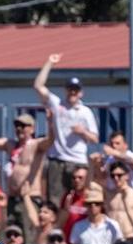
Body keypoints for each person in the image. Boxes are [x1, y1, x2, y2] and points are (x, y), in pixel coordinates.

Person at [34, 54, 99, 203]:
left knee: (80, 198)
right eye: (70, 89)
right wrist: (49, 62)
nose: (73, 93)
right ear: (66, 90)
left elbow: (95, 138)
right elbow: (38, 86)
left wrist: (83, 132)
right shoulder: (58, 104)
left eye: (76, 90)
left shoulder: (85, 112)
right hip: (58, 159)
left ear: (81, 92)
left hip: (78, 160)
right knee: (55, 200)